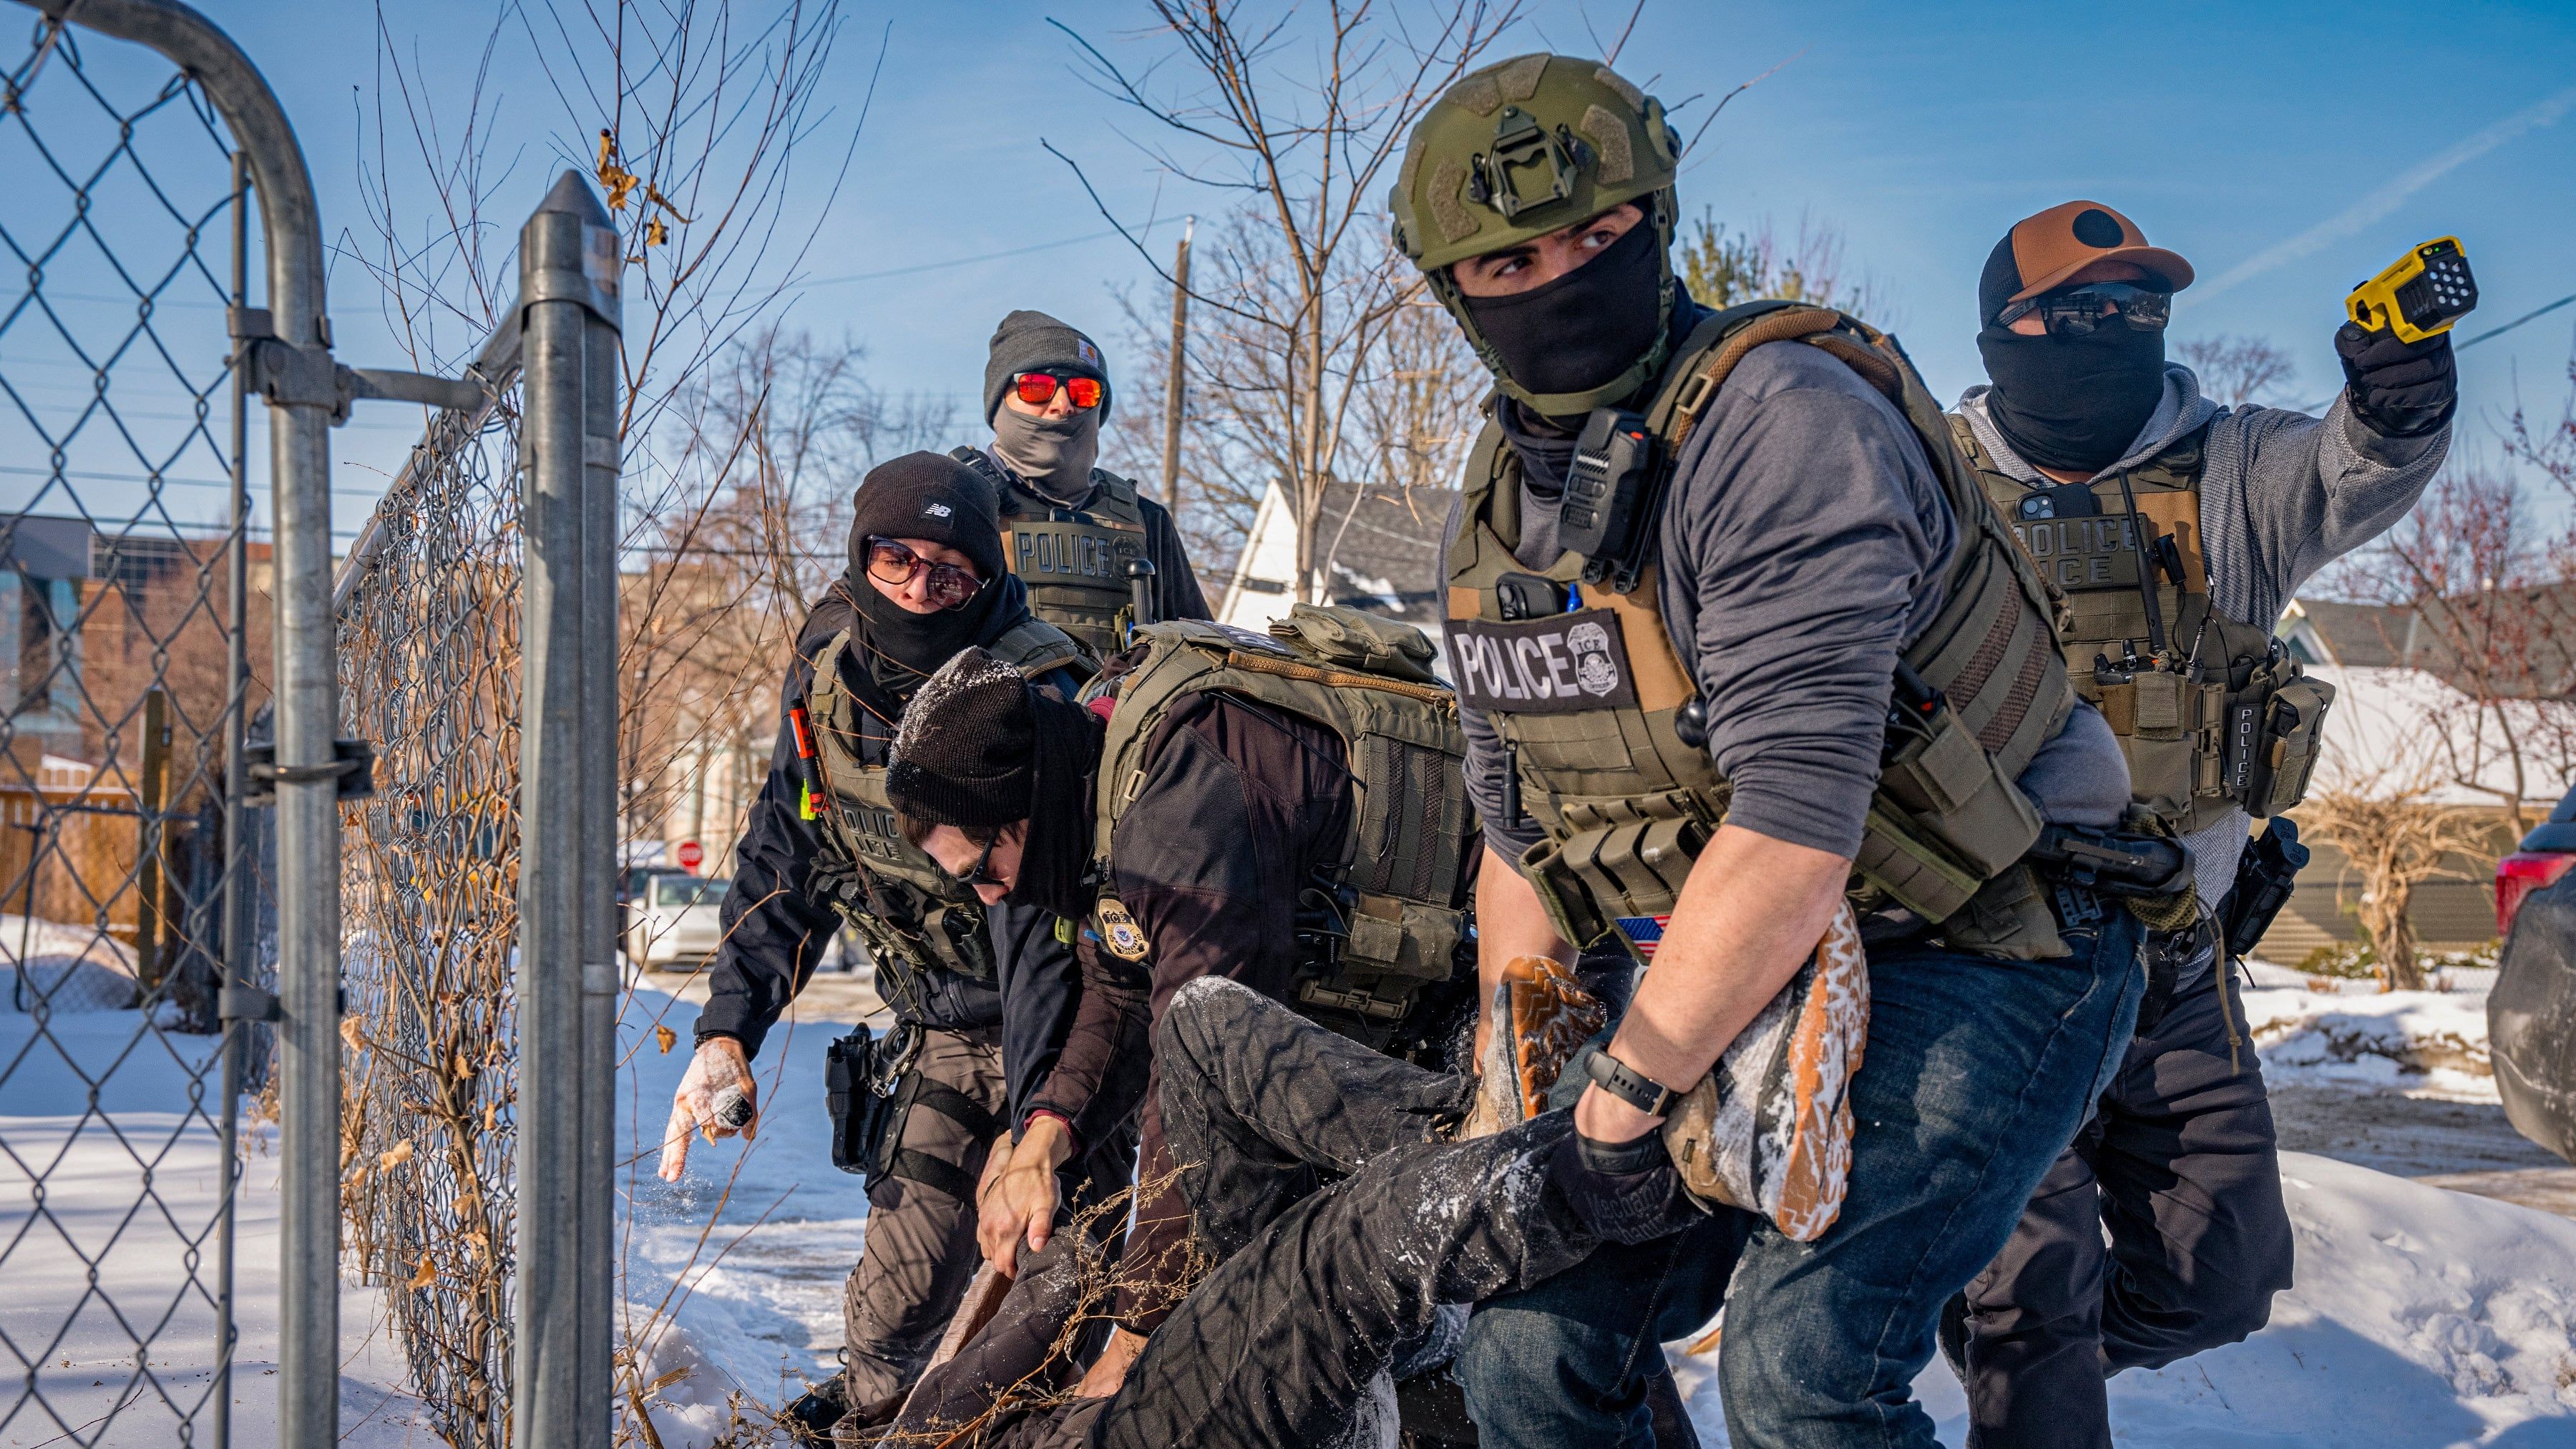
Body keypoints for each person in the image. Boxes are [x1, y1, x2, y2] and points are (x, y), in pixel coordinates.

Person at [1382, 54, 2164, 1446]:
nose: (1555, 275)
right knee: (1526, 1348)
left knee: (1803, 1377)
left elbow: (1799, 828)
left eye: (1593, 236)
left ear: (1657, 220)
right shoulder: (1495, 526)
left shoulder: (1782, 422)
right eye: (1509, 259)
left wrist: (1621, 1099)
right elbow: (1516, 850)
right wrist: (1524, 1088)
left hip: (1990, 935)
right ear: (1452, 287)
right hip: (1727, 960)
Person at [1939, 200, 2455, 1448]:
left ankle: (2000, 1344)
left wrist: (2400, 397)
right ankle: (2022, 1355)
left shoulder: (2233, 472)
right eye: (2081, 313)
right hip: (1981, 966)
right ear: (2009, 332)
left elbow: (2358, 466)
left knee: (2219, 1281)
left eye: (2142, 310)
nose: (2117, 332)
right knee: (2032, 1287)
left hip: (2175, 958)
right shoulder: (1929, 478)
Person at [874, 606, 1485, 1424]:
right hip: (1368, 1021)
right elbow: (1124, 984)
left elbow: (1198, 1085)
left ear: (1024, 806)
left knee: (1457, 1311)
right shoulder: (1102, 769)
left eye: (984, 869)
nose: (989, 896)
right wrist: (1046, 1132)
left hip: (1487, 980)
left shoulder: (1180, 809)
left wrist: (1141, 1328)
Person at [655, 453, 1126, 1437]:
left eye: (951, 573)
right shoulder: (823, 681)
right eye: (897, 560)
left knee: (1051, 1304)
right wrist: (728, 1026)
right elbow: (786, 856)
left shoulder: (1033, 687)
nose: (920, 588)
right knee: (893, 1314)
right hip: (945, 1021)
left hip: (1080, 1028)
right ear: (863, 554)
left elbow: (1042, 935)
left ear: (987, 576)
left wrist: (1035, 1121)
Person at [953, 310, 1208, 656]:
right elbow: (867, 617)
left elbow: (1200, 650)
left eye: (1083, 392)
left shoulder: (1147, 521)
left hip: (1120, 710)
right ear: (1000, 400)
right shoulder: (953, 501)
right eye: (1036, 388)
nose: (1062, 405)